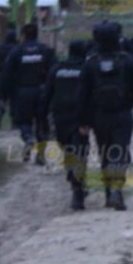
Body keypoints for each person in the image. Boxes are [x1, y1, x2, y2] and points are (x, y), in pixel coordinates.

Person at [78, 21, 133, 211]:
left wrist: (83, 121)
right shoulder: (127, 60)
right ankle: (117, 188)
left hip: (98, 116)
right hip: (122, 114)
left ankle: (110, 192)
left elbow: (82, 96)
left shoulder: (90, 63)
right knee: (119, 151)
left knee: (105, 153)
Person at [43, 40, 90, 210]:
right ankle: (77, 187)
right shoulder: (86, 68)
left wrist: (42, 117)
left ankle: (76, 184)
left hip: (60, 117)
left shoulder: (57, 69)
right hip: (80, 118)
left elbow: (47, 92)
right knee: (80, 152)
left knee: (68, 150)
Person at [3, 24, 56, 165]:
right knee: (42, 122)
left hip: (23, 92)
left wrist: (7, 94)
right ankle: (41, 155)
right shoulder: (46, 50)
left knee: (23, 121)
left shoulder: (16, 51)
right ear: (37, 34)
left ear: (23, 35)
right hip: (42, 91)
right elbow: (54, 71)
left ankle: (28, 138)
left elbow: (7, 74)